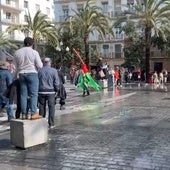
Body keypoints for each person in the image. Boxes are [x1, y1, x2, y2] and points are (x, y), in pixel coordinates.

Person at [14, 37, 43, 120]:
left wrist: (15, 76)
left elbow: (15, 67)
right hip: (32, 74)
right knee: (33, 94)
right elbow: (40, 65)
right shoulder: (34, 52)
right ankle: (33, 113)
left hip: (21, 74)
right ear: (32, 44)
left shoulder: (17, 52)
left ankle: (24, 114)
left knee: (23, 95)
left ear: (24, 43)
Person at [38, 58, 60, 128]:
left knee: (41, 107)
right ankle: (51, 123)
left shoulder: (39, 71)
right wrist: (57, 90)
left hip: (41, 91)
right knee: (51, 107)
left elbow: (37, 81)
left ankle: (41, 123)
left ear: (43, 63)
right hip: (51, 91)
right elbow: (56, 82)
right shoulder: (54, 71)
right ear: (50, 63)